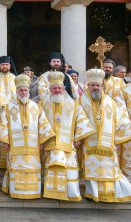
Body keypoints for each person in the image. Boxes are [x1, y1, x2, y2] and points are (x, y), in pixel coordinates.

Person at [79, 68, 131, 203]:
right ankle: (92, 194)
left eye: (97, 85)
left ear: (102, 86)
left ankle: (108, 194)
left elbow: (120, 118)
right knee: (92, 168)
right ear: (87, 86)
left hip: (107, 143)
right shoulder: (81, 101)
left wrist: (120, 135)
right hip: (89, 143)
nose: (95, 88)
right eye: (92, 85)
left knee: (109, 168)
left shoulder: (110, 102)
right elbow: (75, 120)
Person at [40, 72, 95, 201]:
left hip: (68, 143)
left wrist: (79, 138)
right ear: (50, 89)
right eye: (54, 88)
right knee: (53, 167)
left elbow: (81, 120)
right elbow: (38, 122)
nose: (57, 90)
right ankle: (53, 194)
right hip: (51, 142)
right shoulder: (43, 104)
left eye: (59, 88)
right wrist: (42, 140)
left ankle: (71, 193)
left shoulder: (74, 104)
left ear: (64, 89)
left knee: (69, 168)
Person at [0, 74, 54, 199]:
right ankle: (15, 191)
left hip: (33, 145)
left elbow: (43, 124)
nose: (23, 92)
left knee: (32, 168)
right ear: (16, 91)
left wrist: (42, 142)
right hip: (15, 145)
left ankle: (33, 192)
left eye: (25, 90)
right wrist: (5, 141)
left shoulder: (36, 106)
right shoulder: (8, 107)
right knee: (16, 167)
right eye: (21, 90)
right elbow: (2, 124)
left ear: (29, 91)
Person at [0, 55, 18, 169]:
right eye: (3, 65)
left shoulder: (15, 78)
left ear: (10, 66)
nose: (5, 66)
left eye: (6, 64)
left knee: (11, 135)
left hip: (13, 112)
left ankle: (10, 161)